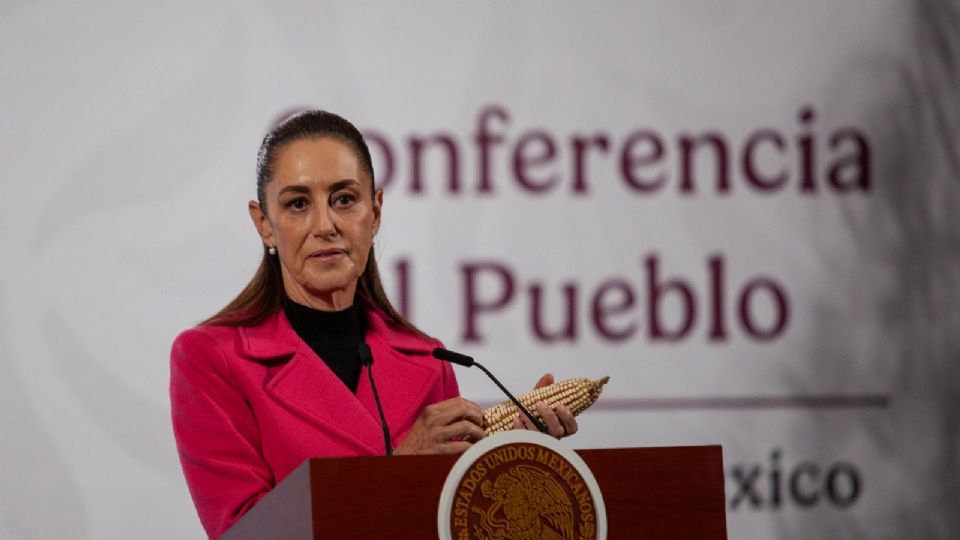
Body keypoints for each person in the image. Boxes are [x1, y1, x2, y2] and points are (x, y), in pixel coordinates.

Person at [169, 110, 578, 538]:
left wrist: (516, 461)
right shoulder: (210, 359)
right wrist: (397, 471)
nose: (325, 226)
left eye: (344, 199)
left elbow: (451, 523)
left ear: (376, 210)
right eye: (297, 204)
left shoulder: (429, 360)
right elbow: (245, 532)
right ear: (264, 224)